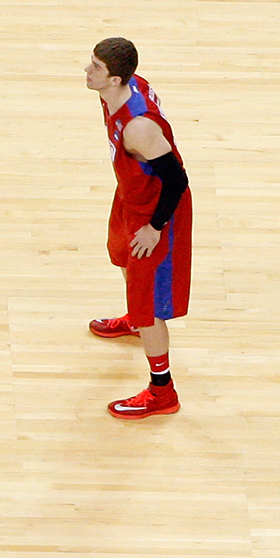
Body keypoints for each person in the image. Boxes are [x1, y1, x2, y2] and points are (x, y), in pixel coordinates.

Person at [84, 37, 193, 418]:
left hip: (157, 212)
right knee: (121, 256)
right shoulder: (119, 90)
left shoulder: (139, 128)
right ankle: (135, 319)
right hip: (132, 195)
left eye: (96, 68)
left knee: (150, 306)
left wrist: (155, 227)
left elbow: (177, 180)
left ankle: (162, 391)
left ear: (115, 79)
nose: (87, 71)